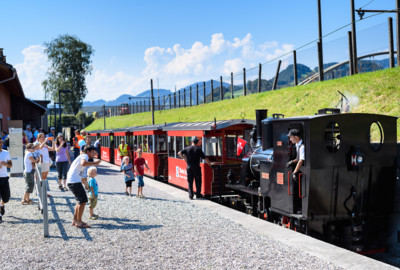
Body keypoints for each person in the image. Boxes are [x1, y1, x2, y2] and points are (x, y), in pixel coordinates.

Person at [66, 146, 101, 228]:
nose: (94, 153)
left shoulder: (82, 157)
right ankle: (79, 221)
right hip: (74, 181)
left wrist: (85, 184)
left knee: (80, 201)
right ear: (88, 152)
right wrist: (95, 163)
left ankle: (75, 220)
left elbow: (80, 174)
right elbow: (83, 163)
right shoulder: (84, 156)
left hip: (73, 181)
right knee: (83, 200)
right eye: (93, 151)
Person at [286, 129, 304, 214]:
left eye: (291, 137)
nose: (290, 139)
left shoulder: (302, 146)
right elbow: (298, 158)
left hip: (303, 172)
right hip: (300, 170)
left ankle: (301, 207)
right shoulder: (297, 144)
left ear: (296, 137)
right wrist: (292, 162)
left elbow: (301, 160)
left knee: (299, 188)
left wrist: (294, 172)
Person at [0, 138, 12, 223]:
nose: (0, 144)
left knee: (6, 198)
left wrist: (5, 164)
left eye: (1, 143)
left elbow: (10, 165)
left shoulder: (6, 153)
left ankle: (1, 205)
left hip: (4, 177)